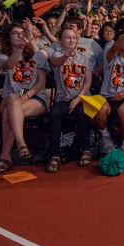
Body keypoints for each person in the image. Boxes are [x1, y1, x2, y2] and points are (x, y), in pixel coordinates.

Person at [0, 21, 51, 174]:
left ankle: (5, 157)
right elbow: (10, 65)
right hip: (10, 99)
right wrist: (20, 50)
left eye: (22, 33)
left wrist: (28, 95)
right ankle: (21, 142)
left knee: (9, 113)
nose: (20, 36)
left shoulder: (37, 55)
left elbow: (41, 81)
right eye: (16, 33)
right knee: (12, 97)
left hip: (36, 98)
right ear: (8, 38)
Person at [45, 28, 94, 173]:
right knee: (53, 113)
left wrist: (79, 98)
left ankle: (86, 149)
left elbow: (88, 81)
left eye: (73, 38)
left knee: (82, 112)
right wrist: (66, 57)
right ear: (60, 40)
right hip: (63, 99)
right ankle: (54, 155)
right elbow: (56, 62)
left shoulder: (86, 57)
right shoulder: (57, 54)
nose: (71, 40)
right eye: (67, 38)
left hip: (82, 97)